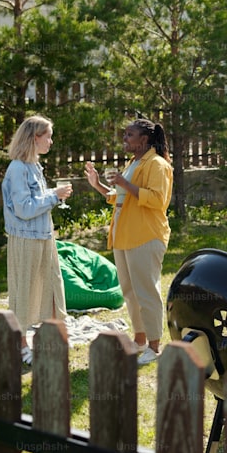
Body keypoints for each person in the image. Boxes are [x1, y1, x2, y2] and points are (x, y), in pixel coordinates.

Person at [85, 119, 173, 366]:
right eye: (125, 134)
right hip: (124, 236)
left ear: (143, 139)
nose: (125, 139)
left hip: (146, 236)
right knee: (130, 292)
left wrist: (124, 183)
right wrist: (99, 186)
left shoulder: (157, 164)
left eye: (129, 135)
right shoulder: (134, 162)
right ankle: (140, 341)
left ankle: (155, 347)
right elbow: (121, 197)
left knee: (146, 292)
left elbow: (157, 200)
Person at [2, 115, 73, 364]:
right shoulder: (18, 169)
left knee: (52, 287)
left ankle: (52, 338)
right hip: (26, 239)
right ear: (35, 138)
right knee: (25, 290)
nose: (51, 142)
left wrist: (54, 194)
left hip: (44, 236)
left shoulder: (34, 166)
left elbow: (36, 202)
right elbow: (24, 209)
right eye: (48, 136)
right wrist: (54, 197)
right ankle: (21, 345)